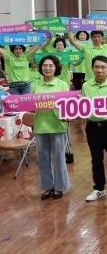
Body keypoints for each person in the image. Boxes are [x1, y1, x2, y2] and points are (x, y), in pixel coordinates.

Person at [81, 56, 107, 202]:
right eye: (97, 67)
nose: (100, 70)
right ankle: (99, 188)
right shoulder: (86, 86)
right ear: (92, 68)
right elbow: (83, 106)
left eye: (103, 67)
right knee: (96, 159)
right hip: (92, 126)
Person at [32, 55, 70, 199]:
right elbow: (29, 104)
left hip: (58, 125)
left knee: (59, 158)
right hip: (40, 125)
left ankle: (59, 187)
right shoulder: (35, 85)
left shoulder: (62, 85)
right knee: (43, 158)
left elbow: (67, 106)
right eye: (45, 65)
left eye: (50, 65)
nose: (47, 68)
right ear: (41, 68)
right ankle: (47, 187)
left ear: (56, 68)